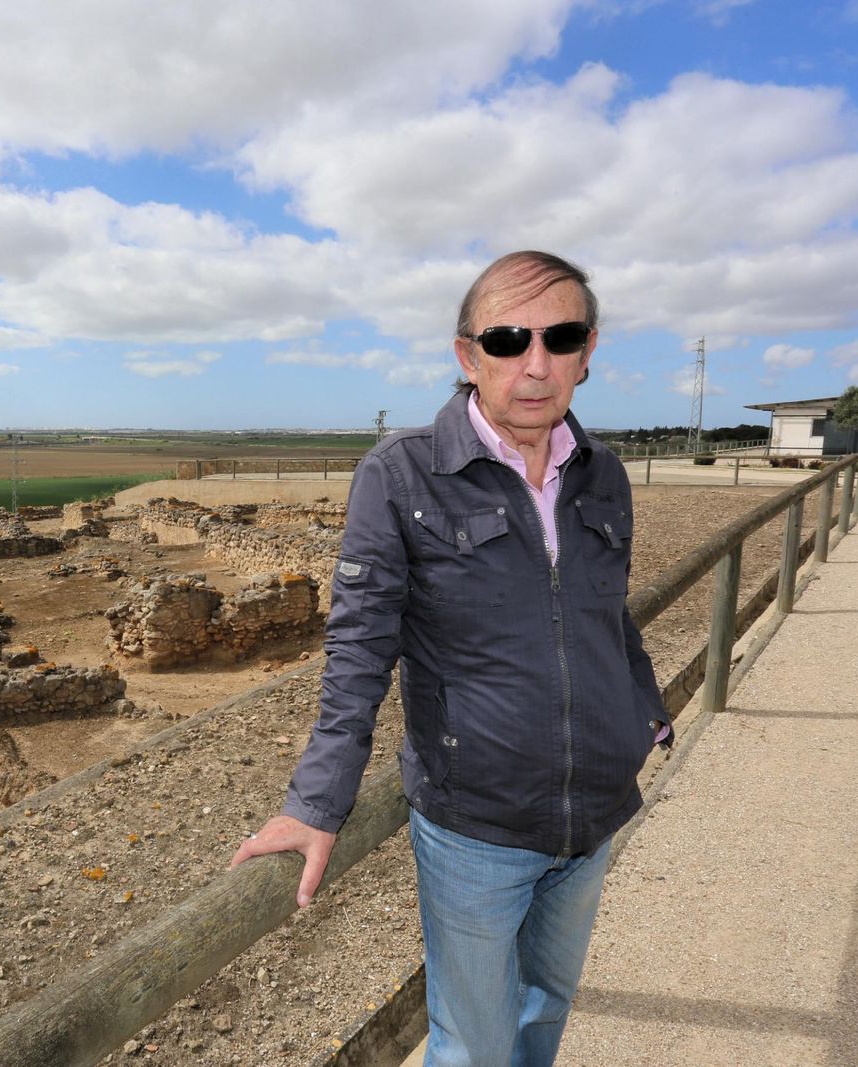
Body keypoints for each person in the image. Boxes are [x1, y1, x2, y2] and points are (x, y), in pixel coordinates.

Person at [230, 250, 670, 1067]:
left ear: (587, 352)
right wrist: (317, 802)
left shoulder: (604, 473)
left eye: (560, 337)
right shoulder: (401, 475)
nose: (534, 363)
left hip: (595, 810)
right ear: (468, 355)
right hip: (477, 828)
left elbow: (609, 616)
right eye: (507, 340)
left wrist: (644, 711)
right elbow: (359, 648)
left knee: (545, 1009)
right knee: (472, 1045)